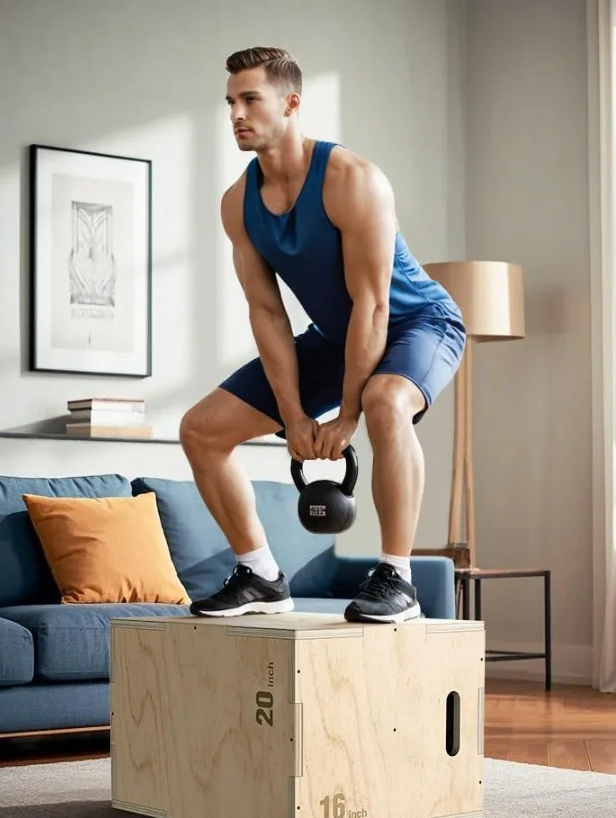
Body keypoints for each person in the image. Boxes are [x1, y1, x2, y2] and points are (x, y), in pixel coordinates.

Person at [179, 46, 466, 624]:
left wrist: (348, 416)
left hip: (418, 323)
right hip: (337, 336)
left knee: (387, 401)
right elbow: (267, 314)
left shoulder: (352, 180)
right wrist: (295, 418)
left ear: (291, 103)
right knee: (202, 431)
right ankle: (260, 574)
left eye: (250, 99)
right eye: (230, 102)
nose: (236, 113)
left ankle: (398, 578)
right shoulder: (238, 203)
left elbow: (374, 304)